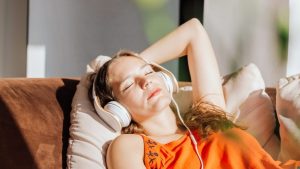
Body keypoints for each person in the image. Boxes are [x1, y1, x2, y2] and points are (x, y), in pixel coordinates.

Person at [89, 18, 299, 169]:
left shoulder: (209, 117)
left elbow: (194, 32)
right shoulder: (129, 146)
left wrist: (136, 60)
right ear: (116, 110)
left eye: (148, 72)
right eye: (128, 85)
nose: (145, 82)